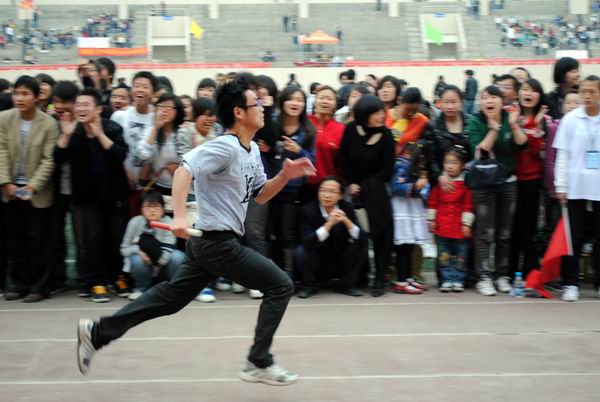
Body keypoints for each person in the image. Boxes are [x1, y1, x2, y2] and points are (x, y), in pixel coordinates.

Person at [76, 75, 316, 386]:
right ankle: (258, 361)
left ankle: (97, 332)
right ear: (239, 113)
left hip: (212, 244)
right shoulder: (224, 147)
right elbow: (184, 170)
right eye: (255, 103)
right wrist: (179, 216)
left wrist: (284, 176)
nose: (262, 107)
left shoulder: (252, 151)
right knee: (281, 285)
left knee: (171, 298)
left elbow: (260, 194)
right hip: (218, 244)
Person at [54, 88, 130, 302]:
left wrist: (99, 135)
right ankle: (97, 282)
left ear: (98, 109)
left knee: (116, 239)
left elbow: (120, 155)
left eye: (86, 104)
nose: (81, 108)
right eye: (78, 105)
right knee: (92, 240)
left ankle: (117, 277)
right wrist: (66, 135)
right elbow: (58, 158)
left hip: (114, 196)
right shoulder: (73, 131)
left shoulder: (112, 127)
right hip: (86, 198)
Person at [0, 75, 58, 302]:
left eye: (25, 94)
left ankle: (39, 287)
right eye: (17, 93)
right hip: (10, 190)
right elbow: (1, 152)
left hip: (38, 192)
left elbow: (49, 160)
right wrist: (6, 182)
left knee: (39, 241)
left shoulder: (49, 123)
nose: (20, 98)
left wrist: (32, 187)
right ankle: (18, 284)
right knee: (15, 240)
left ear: (36, 97)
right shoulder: (4, 119)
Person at [467, 85, 528, 296]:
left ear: (502, 101)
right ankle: (484, 277)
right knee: (485, 233)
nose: (489, 101)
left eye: (494, 97)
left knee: (504, 233)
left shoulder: (510, 118)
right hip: (484, 185)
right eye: (485, 97)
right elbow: (480, 151)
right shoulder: (475, 121)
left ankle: (502, 275)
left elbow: (522, 143)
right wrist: (493, 129)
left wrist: (513, 125)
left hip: (508, 182)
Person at [339, 95, 395, 296]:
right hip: (354, 192)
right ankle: (357, 277)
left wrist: (368, 184)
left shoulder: (386, 135)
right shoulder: (350, 130)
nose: (381, 116)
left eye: (382, 112)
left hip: (377, 192)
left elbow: (388, 169)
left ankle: (380, 277)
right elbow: (343, 160)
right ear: (364, 114)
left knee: (382, 235)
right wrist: (351, 182)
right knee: (356, 234)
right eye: (376, 113)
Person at [554, 75, 600, 302]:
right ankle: (570, 283)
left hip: (598, 186)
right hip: (575, 186)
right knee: (574, 236)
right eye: (584, 92)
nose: (587, 96)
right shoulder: (571, 119)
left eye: (592, 92)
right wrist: (560, 185)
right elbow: (563, 154)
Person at [269, 86, 316, 279]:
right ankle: (275, 275)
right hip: (271, 186)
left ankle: (289, 277)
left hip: (294, 189)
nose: (295, 103)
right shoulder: (272, 125)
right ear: (282, 102)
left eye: (299, 100)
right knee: (273, 232)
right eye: (291, 99)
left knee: (289, 233)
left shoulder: (308, 130)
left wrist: (299, 150)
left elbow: (313, 161)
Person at [296, 176, 368, 298]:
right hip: (318, 262)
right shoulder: (308, 210)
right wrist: (329, 224)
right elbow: (307, 242)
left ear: (340, 196)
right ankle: (309, 286)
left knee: (360, 245)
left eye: (332, 191)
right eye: (323, 190)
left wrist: (346, 221)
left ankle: (346, 285)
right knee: (301, 251)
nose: (326, 195)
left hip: (340, 260)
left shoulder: (347, 207)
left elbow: (363, 239)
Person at [510, 78, 549, 278]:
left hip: (533, 179)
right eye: (525, 89)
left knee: (530, 227)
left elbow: (535, 151)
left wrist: (535, 123)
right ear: (518, 93)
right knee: (513, 226)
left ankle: (530, 270)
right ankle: (509, 271)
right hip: (511, 179)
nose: (529, 93)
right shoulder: (510, 115)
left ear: (539, 96)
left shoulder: (544, 120)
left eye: (534, 90)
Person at [120, 190, 186, 300]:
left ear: (163, 209)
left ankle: (171, 288)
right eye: (148, 207)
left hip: (162, 264)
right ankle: (142, 289)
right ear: (142, 210)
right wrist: (139, 251)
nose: (152, 210)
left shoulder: (168, 222)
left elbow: (167, 253)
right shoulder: (135, 222)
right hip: (144, 265)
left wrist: (153, 260)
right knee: (136, 259)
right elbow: (124, 249)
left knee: (178, 256)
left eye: (156, 207)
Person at [48, 80, 79, 295]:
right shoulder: (52, 123)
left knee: (83, 237)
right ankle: (58, 279)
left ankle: (84, 278)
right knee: (55, 236)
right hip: (56, 190)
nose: (59, 106)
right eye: (56, 101)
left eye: (64, 102)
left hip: (80, 190)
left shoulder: (84, 123)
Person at [427, 147, 474, 292]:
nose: (450, 166)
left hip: (459, 228)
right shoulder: (439, 184)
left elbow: (468, 205)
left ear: (462, 165)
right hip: (442, 227)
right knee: (444, 255)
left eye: (454, 163)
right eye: (447, 162)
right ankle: (446, 279)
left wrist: (467, 223)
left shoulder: (465, 184)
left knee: (461, 255)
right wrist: (431, 220)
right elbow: (432, 203)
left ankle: (459, 279)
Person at [111, 71, 156, 189]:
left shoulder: (157, 119)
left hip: (148, 183)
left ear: (153, 92)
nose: (140, 89)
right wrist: (126, 173)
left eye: (145, 87)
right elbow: (114, 149)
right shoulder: (119, 116)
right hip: (122, 180)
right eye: (136, 86)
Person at [136, 93, 185, 196]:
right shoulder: (151, 130)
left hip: (180, 187)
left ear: (177, 111)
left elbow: (189, 161)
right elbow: (142, 155)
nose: (164, 110)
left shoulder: (182, 132)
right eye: (161, 106)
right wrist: (156, 128)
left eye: (169, 107)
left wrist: (179, 167)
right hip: (156, 185)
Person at [427, 85, 471, 192]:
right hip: (442, 182)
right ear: (440, 103)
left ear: (461, 102)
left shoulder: (472, 123)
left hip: (468, 181)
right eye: (446, 102)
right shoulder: (433, 125)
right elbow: (429, 157)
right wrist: (439, 176)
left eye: (454, 102)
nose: (450, 106)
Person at [308, 86, 345, 185]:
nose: (325, 101)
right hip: (302, 184)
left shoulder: (341, 129)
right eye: (321, 98)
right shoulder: (304, 122)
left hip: (328, 185)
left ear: (335, 104)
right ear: (314, 101)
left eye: (330, 99)